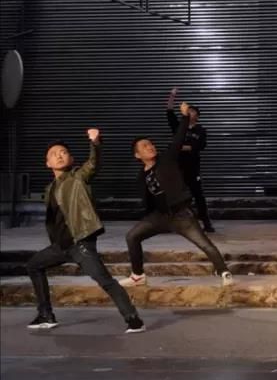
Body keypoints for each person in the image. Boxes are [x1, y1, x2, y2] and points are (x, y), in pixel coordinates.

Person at [26, 130, 145, 334]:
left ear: (71, 159)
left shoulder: (78, 177)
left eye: (63, 152)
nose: (59, 155)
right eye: (54, 154)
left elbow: (93, 163)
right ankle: (46, 315)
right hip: (61, 246)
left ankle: (134, 319)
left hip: (80, 243)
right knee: (33, 265)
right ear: (47, 163)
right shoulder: (50, 189)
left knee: (105, 281)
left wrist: (95, 143)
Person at [120, 102, 233, 288]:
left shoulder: (167, 159)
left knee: (205, 244)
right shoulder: (141, 175)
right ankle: (138, 276)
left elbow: (179, 138)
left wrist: (185, 116)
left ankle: (224, 272)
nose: (150, 147)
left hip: (181, 215)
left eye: (151, 144)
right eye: (145, 146)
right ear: (137, 155)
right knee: (132, 236)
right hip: (159, 216)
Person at [165, 88, 213, 233]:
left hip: (192, 168)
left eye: (192, 111)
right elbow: (169, 111)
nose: (189, 112)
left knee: (198, 195)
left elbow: (200, 146)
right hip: (177, 167)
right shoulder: (179, 127)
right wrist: (172, 95)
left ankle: (206, 222)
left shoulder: (200, 130)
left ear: (197, 116)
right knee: (176, 196)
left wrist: (181, 147)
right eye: (188, 111)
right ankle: (174, 223)